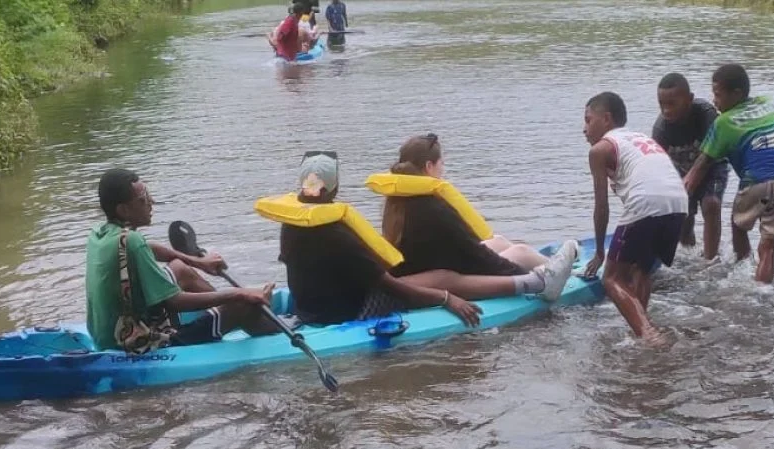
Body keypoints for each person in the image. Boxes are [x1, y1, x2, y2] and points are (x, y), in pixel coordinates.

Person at [273, 153, 578, 326]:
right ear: (334, 189)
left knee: (495, 245)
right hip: (351, 313)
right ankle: (533, 284)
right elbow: (389, 286)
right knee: (444, 276)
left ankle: (537, 272)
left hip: (315, 308)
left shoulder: (292, 224)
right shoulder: (338, 232)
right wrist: (445, 298)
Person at [86, 169, 276, 351]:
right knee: (239, 304)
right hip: (136, 342)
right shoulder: (133, 242)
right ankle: (257, 323)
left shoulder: (100, 234)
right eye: (143, 200)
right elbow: (174, 302)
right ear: (124, 210)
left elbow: (150, 248)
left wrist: (198, 262)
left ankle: (231, 316)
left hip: (108, 335)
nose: (152, 202)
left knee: (180, 268)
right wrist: (238, 294)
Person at [582, 92, 688, 343]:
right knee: (642, 270)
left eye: (588, 120)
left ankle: (650, 336)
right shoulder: (639, 138)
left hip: (647, 204)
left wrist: (600, 251)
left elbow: (601, 208)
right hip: (679, 202)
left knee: (612, 279)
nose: (584, 129)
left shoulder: (600, 149)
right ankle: (643, 327)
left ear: (606, 119)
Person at [380, 134, 563, 278]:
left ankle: (550, 264)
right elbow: (474, 254)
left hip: (426, 266)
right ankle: (564, 275)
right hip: (448, 271)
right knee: (521, 252)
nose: (442, 169)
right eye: (441, 164)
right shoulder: (433, 208)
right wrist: (520, 273)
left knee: (498, 240)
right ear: (429, 166)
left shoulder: (396, 202)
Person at [683, 64, 774, 284]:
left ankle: (741, 268)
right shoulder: (768, 105)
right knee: (769, 246)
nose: (714, 100)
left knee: (738, 225)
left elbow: (700, 167)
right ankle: (763, 290)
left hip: (757, 182)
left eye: (718, 94)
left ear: (736, 94)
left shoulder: (725, 122)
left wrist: (676, 198)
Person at [653, 72, 729, 259]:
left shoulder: (706, 114)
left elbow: (710, 155)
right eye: (662, 104)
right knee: (683, 219)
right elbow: (656, 166)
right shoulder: (661, 129)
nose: (666, 111)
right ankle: (688, 257)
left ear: (689, 99)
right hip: (679, 172)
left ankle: (710, 260)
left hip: (712, 167)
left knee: (711, 204)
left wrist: (693, 178)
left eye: (672, 104)